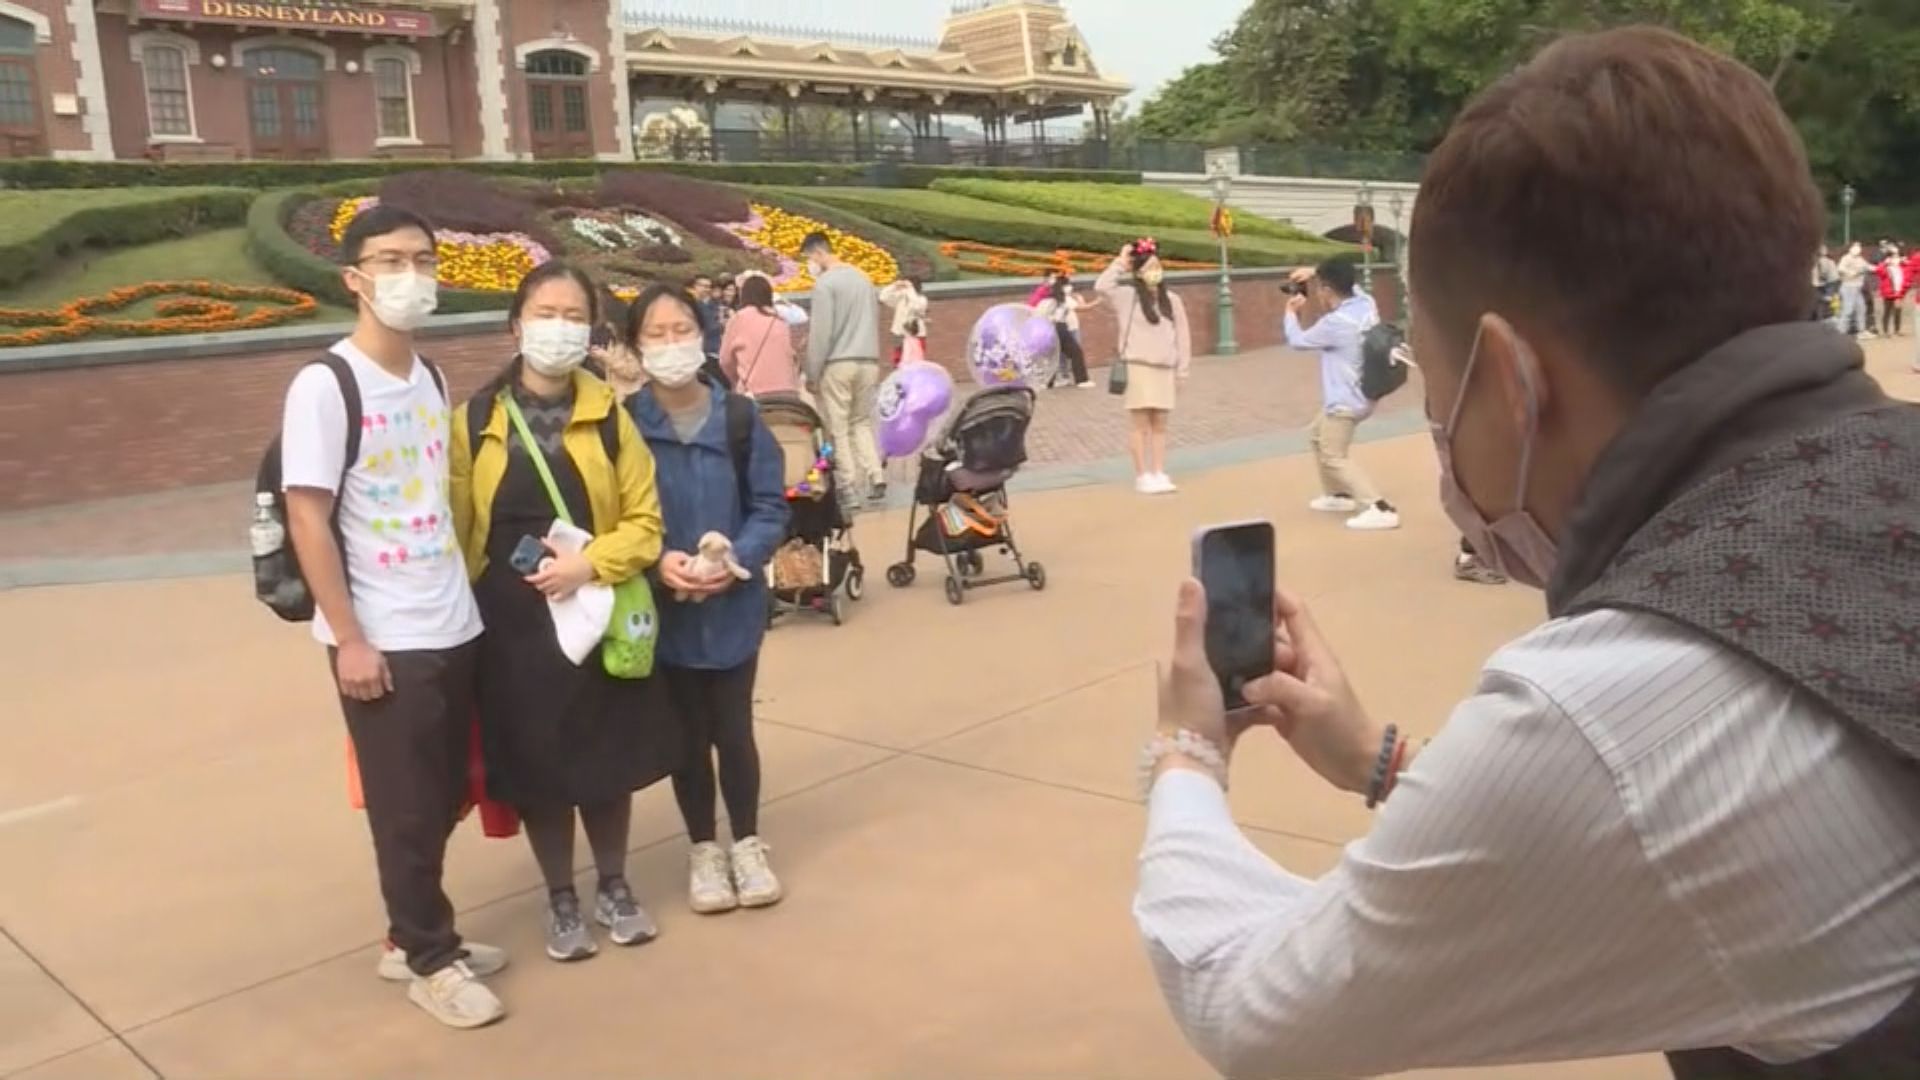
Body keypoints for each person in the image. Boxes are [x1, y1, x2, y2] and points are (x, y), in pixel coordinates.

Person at [1134, 27, 1920, 1080]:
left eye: (1437, 391)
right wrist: (1385, 764)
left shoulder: (1616, 707)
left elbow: (1256, 1004)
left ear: (1508, 381)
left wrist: (1186, 755)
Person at [278, 205, 505, 1029]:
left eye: (423, 259)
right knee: (404, 803)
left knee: (447, 790)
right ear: (355, 277)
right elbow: (308, 516)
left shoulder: (431, 376)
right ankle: (430, 959)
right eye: (390, 260)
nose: (410, 274)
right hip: (382, 632)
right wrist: (350, 638)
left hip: (451, 619)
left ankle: (408, 934)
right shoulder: (326, 384)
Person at [449, 261, 672, 964]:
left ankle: (613, 884)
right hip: (511, 624)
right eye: (547, 313)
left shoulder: (611, 417)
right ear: (516, 324)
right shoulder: (476, 418)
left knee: (605, 757)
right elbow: (456, 526)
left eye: (575, 315)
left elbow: (645, 522)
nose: (560, 328)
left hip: (592, 607)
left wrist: (588, 565)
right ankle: (561, 897)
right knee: (539, 766)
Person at [623, 285, 792, 916]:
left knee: (733, 729)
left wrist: (736, 558)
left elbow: (771, 508)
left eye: (681, 329)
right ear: (637, 346)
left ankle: (746, 843)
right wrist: (658, 559)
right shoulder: (625, 426)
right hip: (664, 610)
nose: (672, 344)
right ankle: (703, 849)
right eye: (656, 334)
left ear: (704, 334)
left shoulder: (741, 420)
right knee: (686, 737)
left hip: (732, 608)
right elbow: (616, 514)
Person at [1284, 259, 1401, 531]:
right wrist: (1315, 273)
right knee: (1316, 435)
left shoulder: (1335, 323)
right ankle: (1338, 495)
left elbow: (1298, 341)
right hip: (1363, 393)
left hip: (1345, 402)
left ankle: (1378, 506)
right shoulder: (1365, 303)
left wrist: (1291, 313)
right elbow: (1351, 283)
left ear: (1326, 290)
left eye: (1319, 288)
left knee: (1334, 456)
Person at [1096, 238, 1191, 494]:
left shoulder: (1172, 300)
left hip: (1165, 368)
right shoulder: (1127, 297)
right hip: (1138, 367)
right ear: (1138, 272)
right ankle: (1142, 475)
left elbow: (1182, 336)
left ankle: (1159, 471)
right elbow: (1102, 286)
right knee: (1140, 425)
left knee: (1160, 424)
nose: (1154, 272)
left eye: (1157, 266)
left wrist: (1182, 370)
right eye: (1148, 267)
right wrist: (1121, 262)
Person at [801, 231, 886, 506]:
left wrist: (812, 373)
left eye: (808, 259)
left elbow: (821, 334)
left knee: (839, 425)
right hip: (868, 360)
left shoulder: (826, 284)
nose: (809, 265)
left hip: (838, 363)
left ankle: (848, 486)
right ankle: (876, 475)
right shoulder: (863, 278)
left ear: (817, 253)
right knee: (861, 422)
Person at [718, 273, 801, 398]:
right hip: (787, 391)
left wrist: (737, 381)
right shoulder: (779, 320)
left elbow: (725, 361)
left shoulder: (738, 319)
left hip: (755, 391)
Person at [1035, 271, 1097, 388]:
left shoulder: (1046, 300)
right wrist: (1097, 301)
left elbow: (1038, 314)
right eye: (1068, 285)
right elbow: (1082, 307)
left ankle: (1047, 382)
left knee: (1053, 355)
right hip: (1060, 328)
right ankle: (1082, 380)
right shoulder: (1065, 299)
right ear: (1064, 287)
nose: (1070, 287)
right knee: (1076, 353)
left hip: (1047, 329)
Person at [588, 284, 642, 401]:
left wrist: (606, 357)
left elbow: (632, 371)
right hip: (615, 396)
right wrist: (598, 358)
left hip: (631, 398)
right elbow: (611, 369)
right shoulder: (614, 340)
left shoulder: (630, 340)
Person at [879, 277, 930, 366]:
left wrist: (910, 290)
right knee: (899, 361)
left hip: (916, 336)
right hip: (899, 334)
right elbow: (883, 297)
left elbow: (916, 307)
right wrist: (894, 286)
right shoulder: (900, 299)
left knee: (916, 362)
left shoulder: (922, 299)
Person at [1838, 241, 1872, 338]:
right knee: (1848, 310)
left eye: (1859, 246)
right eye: (1856, 247)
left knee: (1861, 308)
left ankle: (1861, 331)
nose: (1858, 248)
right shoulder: (1846, 258)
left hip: (1857, 288)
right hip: (1848, 287)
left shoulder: (1860, 259)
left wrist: (1882, 267)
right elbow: (1840, 268)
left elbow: (1868, 267)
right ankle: (1841, 333)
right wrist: (1850, 272)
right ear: (1850, 248)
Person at [1875, 242, 1908, 336]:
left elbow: (1909, 269)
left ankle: (1897, 330)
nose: (1896, 260)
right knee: (1887, 311)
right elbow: (1878, 270)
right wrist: (1884, 263)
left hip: (1898, 293)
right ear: (1889, 259)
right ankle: (1885, 331)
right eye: (1894, 258)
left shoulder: (1902, 268)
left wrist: (1905, 261)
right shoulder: (1886, 269)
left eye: (1897, 257)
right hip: (1888, 293)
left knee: (1898, 311)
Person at [690, 274, 725, 358]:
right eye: (704, 286)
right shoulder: (690, 304)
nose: (707, 289)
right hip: (698, 350)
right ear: (695, 286)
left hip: (714, 349)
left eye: (709, 287)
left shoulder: (715, 305)